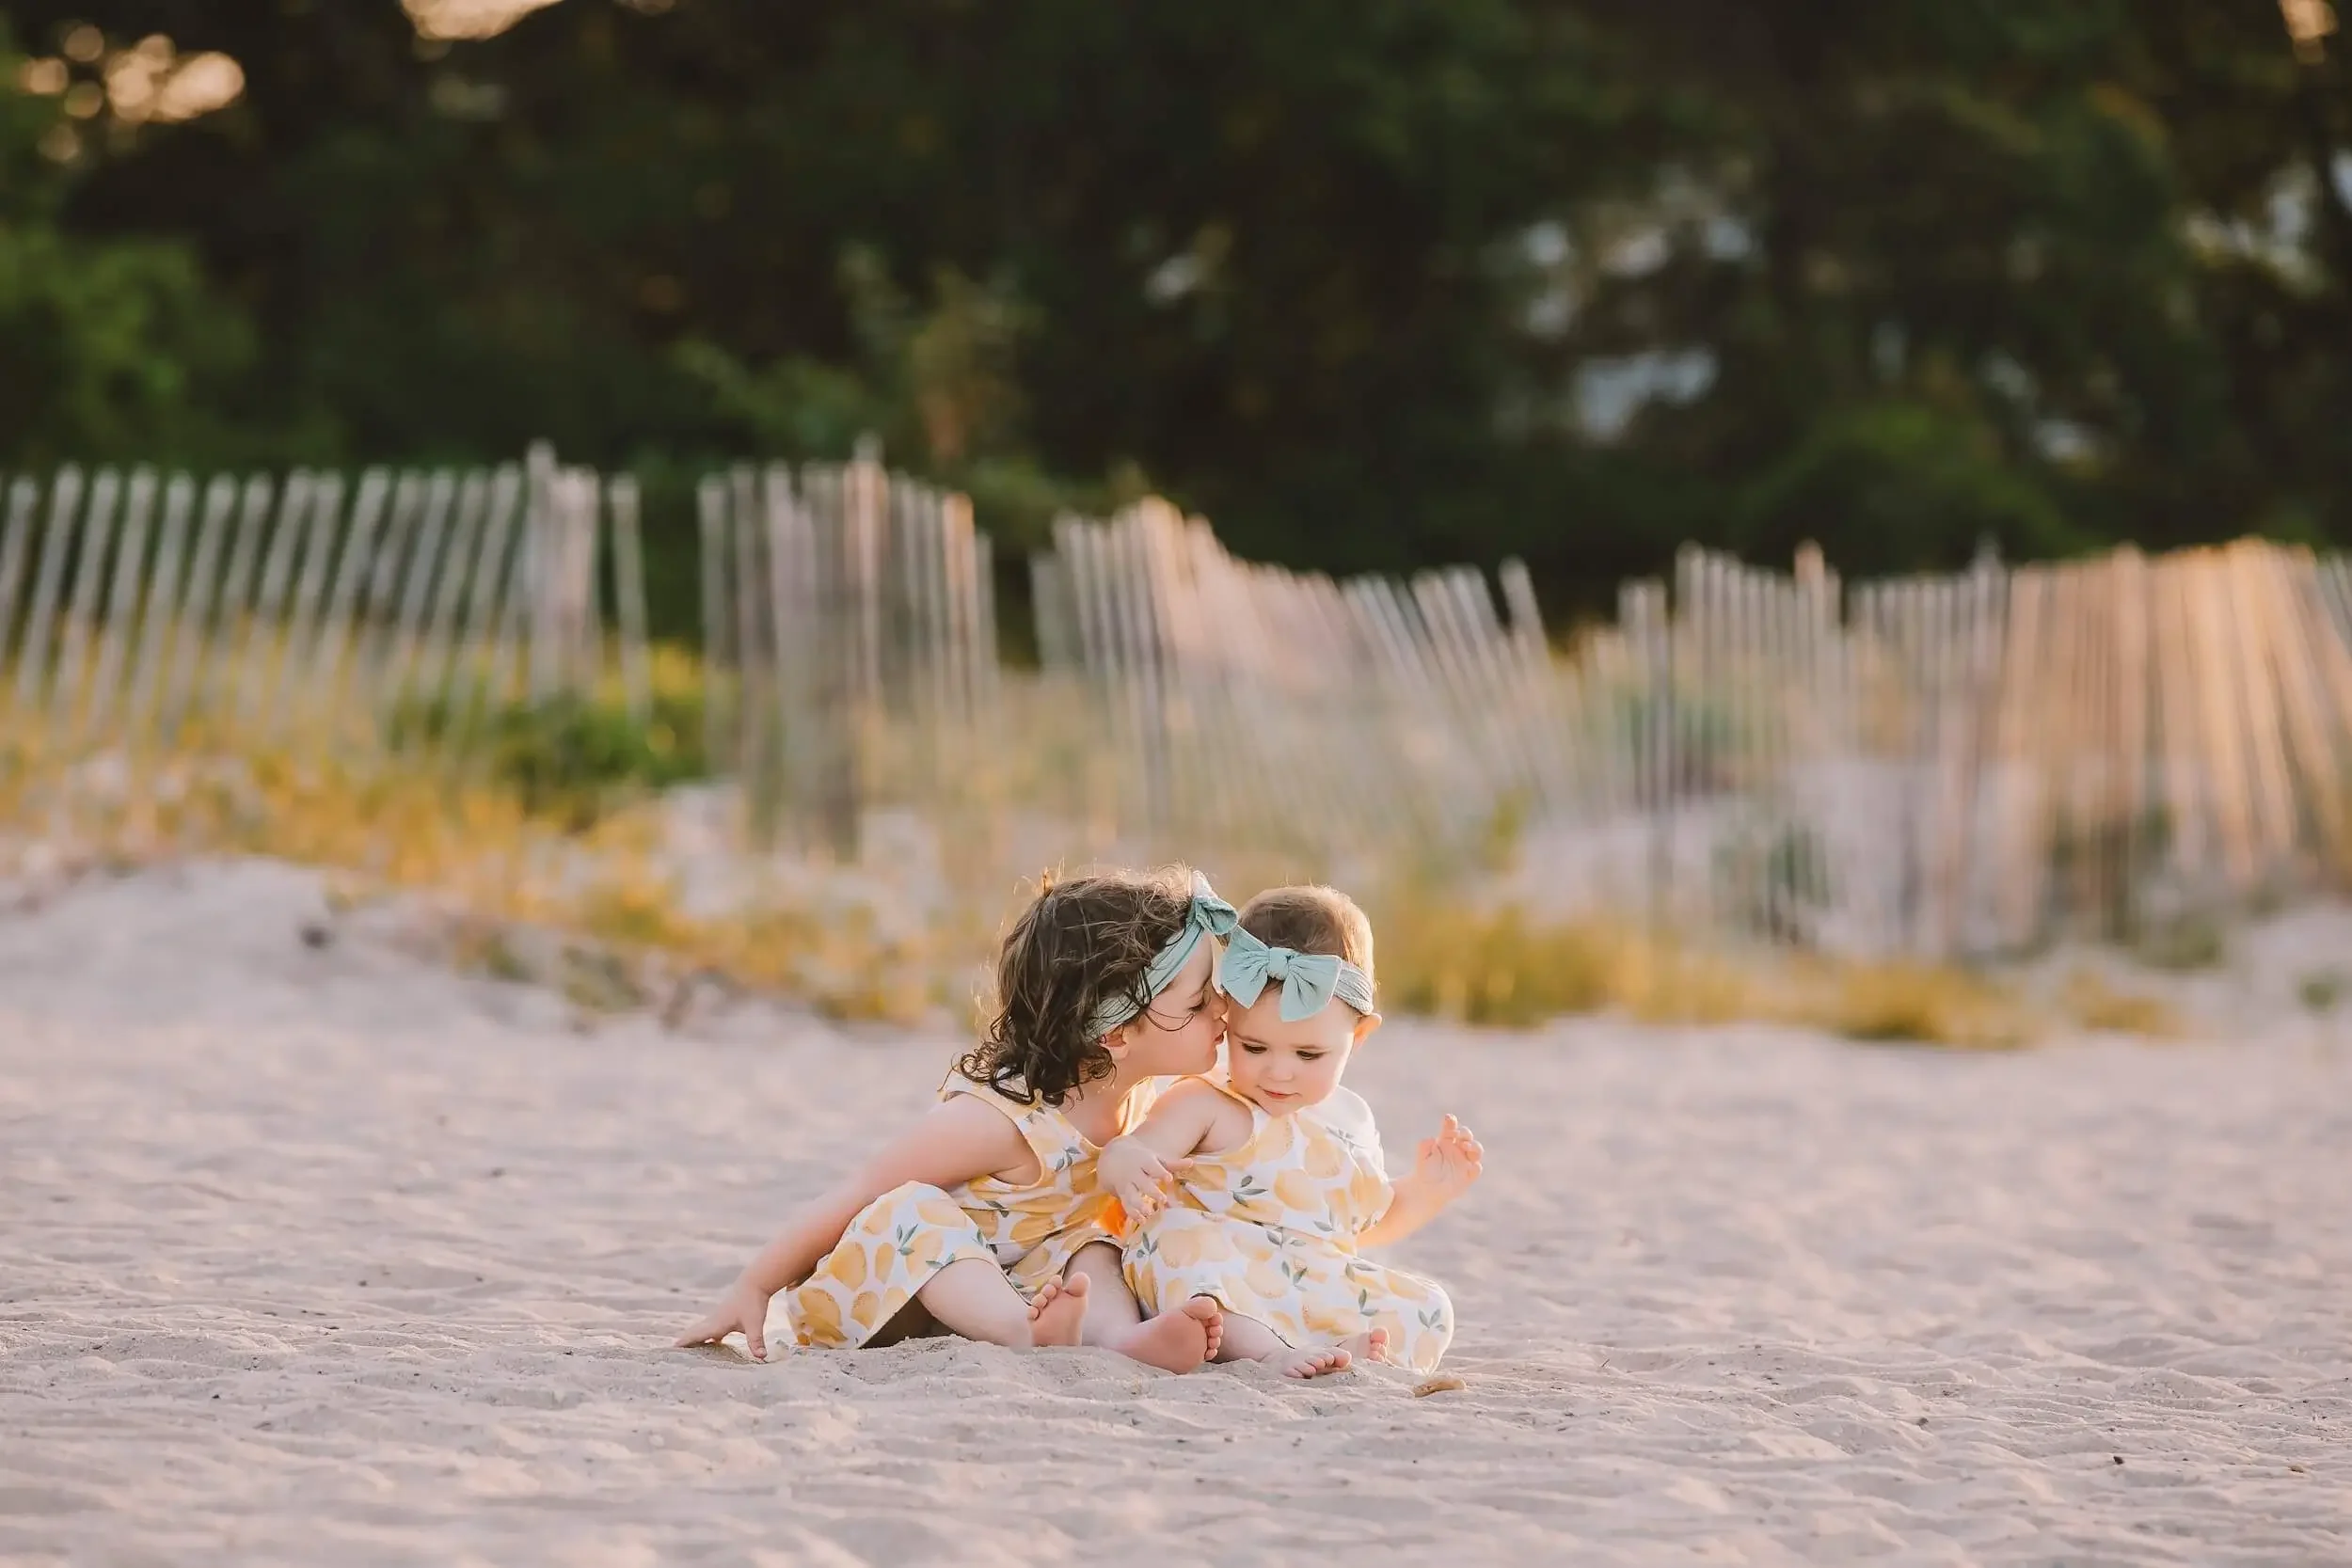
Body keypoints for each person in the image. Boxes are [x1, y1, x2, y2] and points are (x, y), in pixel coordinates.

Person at [675, 866, 1232, 1370]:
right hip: (880, 1296)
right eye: (1199, 1003)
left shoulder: (1142, 1101)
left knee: (1093, 1247)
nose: (1222, 1010)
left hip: (998, 1291)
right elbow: (861, 1191)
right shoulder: (1000, 1121)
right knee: (916, 1207)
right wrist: (755, 1286)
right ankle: (1026, 1333)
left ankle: (1118, 1340)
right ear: (1115, 1035)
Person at [1099, 884, 1482, 1378]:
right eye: (1253, 1047)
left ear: (1358, 1036)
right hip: (1220, 1277)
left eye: (1307, 1055)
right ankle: (1266, 1351)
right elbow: (1125, 1152)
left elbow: (1359, 1227)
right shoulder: (1207, 1103)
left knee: (1429, 1305)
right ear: (1227, 1019)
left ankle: (1334, 1346)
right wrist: (1126, 1164)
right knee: (1172, 1240)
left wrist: (1428, 1191)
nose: (1279, 1073)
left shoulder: (1350, 1122)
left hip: (1305, 1282)